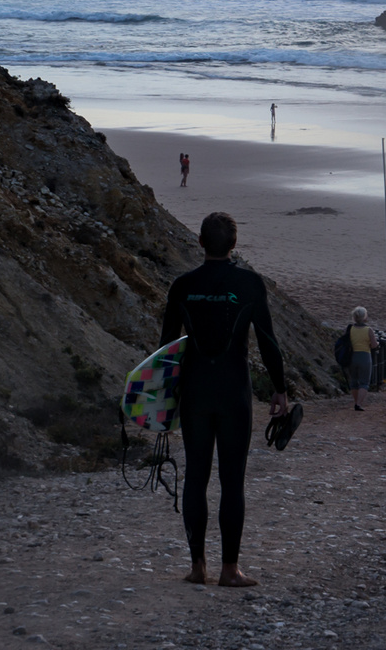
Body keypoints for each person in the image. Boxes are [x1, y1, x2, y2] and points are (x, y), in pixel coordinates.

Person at [159, 212, 289, 588]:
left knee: (195, 477)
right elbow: (268, 341)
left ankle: (197, 566)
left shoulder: (183, 286)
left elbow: (166, 347)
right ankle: (229, 570)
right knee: (233, 482)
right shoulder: (249, 284)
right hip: (234, 394)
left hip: (194, 393)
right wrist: (279, 388)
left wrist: (163, 399)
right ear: (234, 245)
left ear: (200, 243)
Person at [345, 306, 380, 411]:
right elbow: (374, 345)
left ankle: (356, 402)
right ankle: (358, 404)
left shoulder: (350, 329)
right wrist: (377, 342)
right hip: (364, 356)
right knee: (364, 382)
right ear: (364, 317)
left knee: (354, 381)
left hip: (352, 356)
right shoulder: (368, 330)